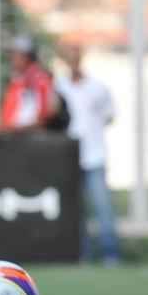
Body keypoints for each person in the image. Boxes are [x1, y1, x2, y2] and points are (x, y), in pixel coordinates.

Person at [56, 44, 120, 265]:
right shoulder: (59, 86)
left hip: (94, 156)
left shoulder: (97, 88)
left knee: (102, 206)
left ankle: (110, 254)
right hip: (69, 157)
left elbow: (110, 115)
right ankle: (81, 255)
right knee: (75, 210)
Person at [0, 34, 61, 135]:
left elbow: (42, 118)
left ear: (26, 57)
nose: (11, 58)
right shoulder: (19, 80)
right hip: (13, 140)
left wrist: (9, 130)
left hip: (26, 142)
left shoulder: (37, 81)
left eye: (14, 54)